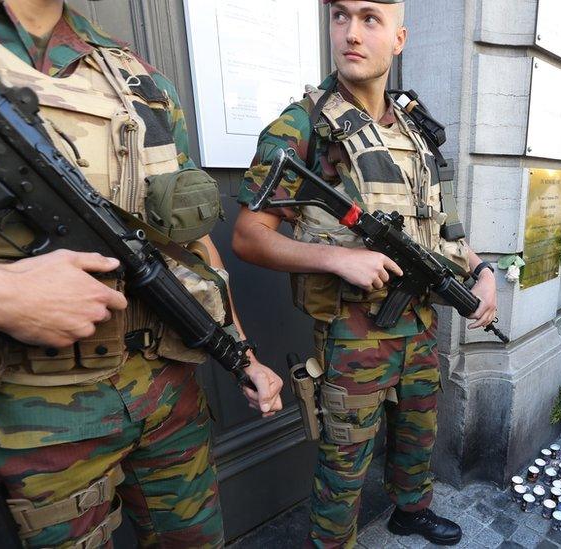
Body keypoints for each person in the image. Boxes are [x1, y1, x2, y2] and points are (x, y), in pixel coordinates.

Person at [0, 1, 283, 546]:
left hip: (169, 398)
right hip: (22, 426)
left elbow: (190, 245)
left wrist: (241, 353)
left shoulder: (139, 78)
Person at [232, 0, 497, 546]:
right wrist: (336, 257)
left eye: (370, 18)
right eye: (341, 16)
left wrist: (481, 270)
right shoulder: (302, 123)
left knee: (419, 429)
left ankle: (410, 509)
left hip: (419, 322)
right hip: (352, 334)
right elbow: (248, 237)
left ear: (398, 38)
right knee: (345, 456)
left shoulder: (415, 128)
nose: (352, 32)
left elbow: (439, 226)